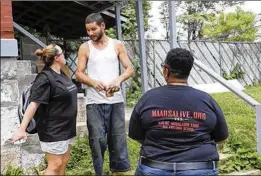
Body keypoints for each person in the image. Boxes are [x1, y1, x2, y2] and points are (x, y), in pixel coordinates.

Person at [129, 48, 229, 176]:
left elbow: (135, 135)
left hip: (154, 166)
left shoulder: (148, 98)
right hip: (200, 168)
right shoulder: (206, 100)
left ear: (166, 70)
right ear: (188, 71)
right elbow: (222, 138)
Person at [75, 13, 134, 175]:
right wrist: (93, 82)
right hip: (94, 102)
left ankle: (118, 171)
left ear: (102, 26)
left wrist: (119, 80)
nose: (90, 33)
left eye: (93, 29)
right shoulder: (85, 48)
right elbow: (79, 73)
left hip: (115, 101)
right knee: (97, 140)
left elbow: (129, 69)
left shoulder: (117, 45)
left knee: (118, 140)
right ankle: (99, 172)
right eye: (88, 30)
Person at [12, 44, 78, 175]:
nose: (65, 55)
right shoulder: (45, 78)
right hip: (53, 130)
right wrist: (21, 129)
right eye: (63, 53)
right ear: (58, 57)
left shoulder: (62, 74)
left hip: (67, 128)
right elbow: (33, 105)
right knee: (55, 165)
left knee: (64, 162)